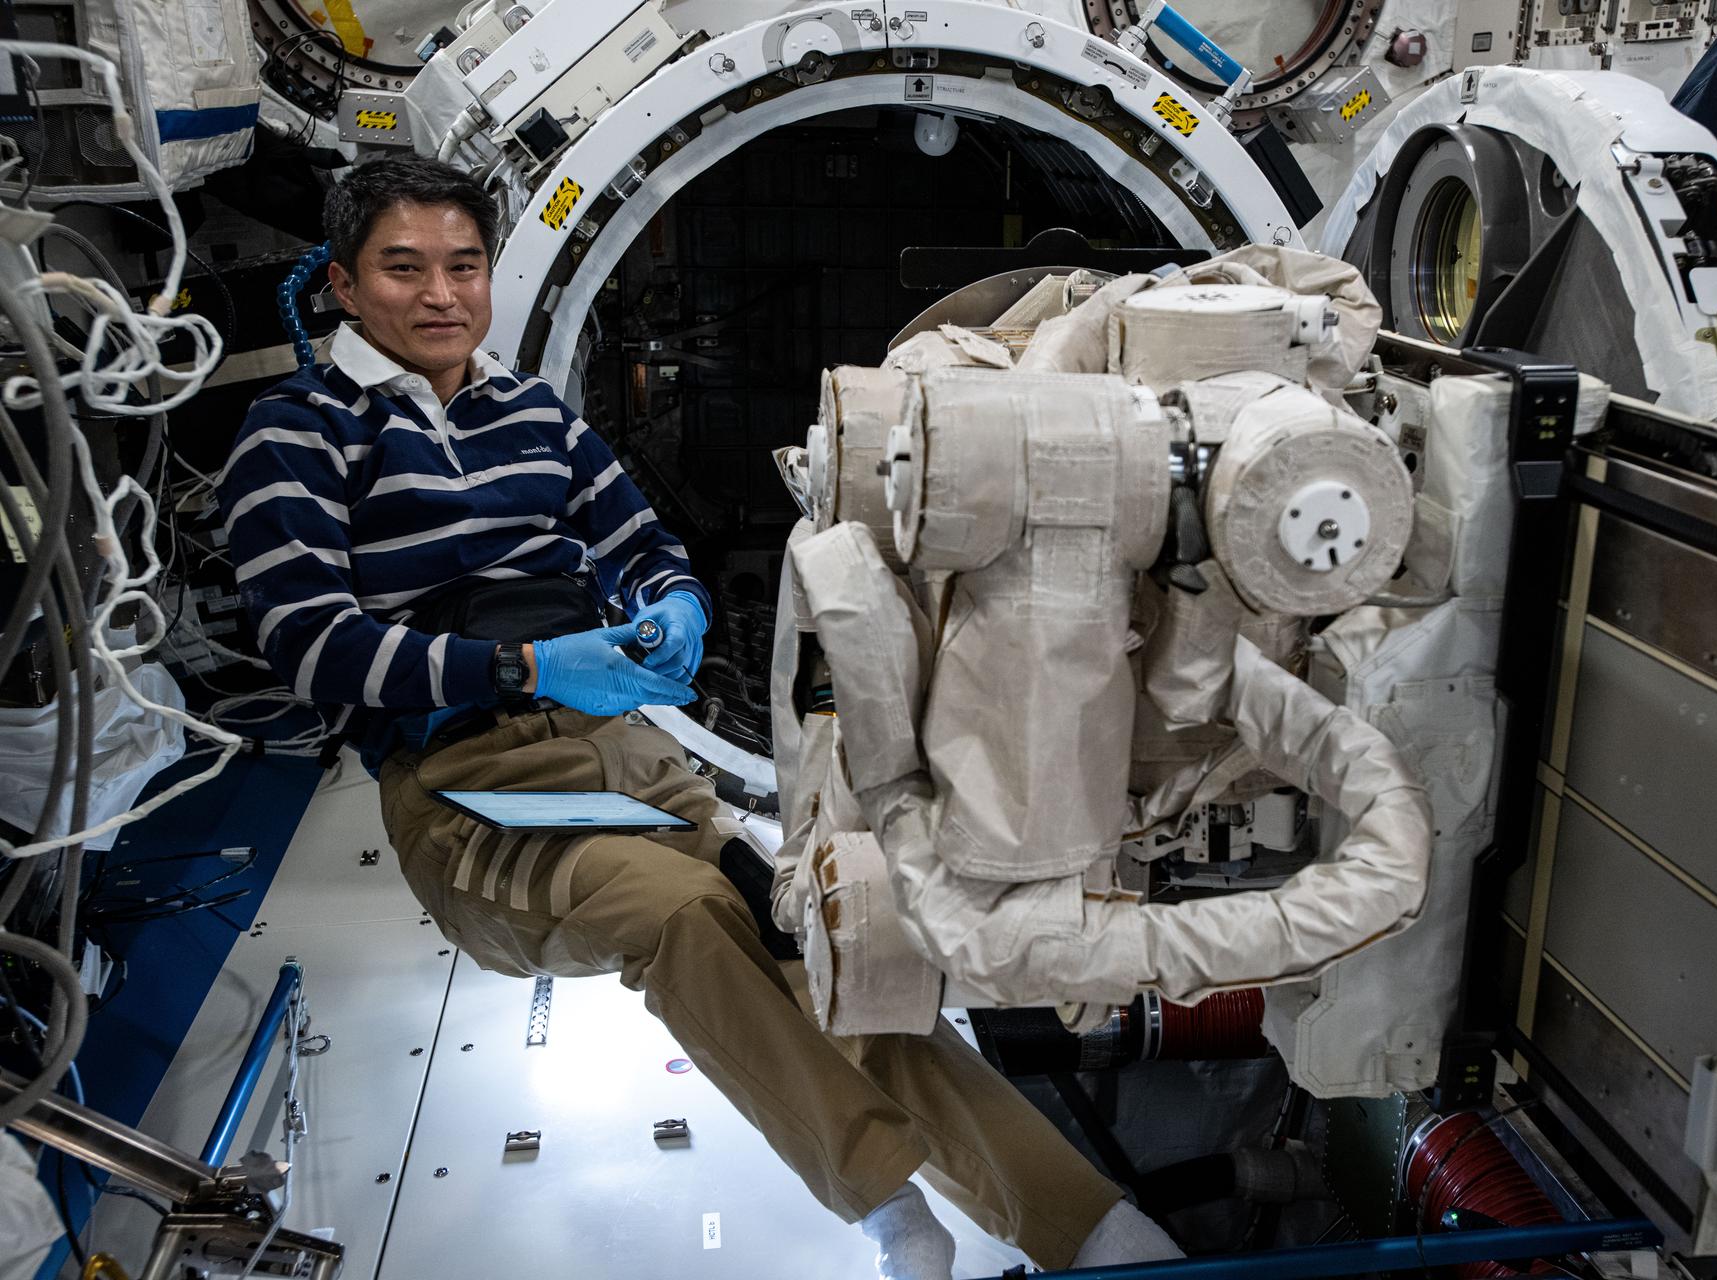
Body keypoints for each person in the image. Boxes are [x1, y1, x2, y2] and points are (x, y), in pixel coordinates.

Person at [217, 154, 1181, 1278]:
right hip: (472, 795)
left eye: (464, 266)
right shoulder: (297, 433)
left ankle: (1091, 1227)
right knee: (686, 913)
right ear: (342, 283)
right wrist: (522, 666)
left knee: (818, 943)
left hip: (628, 759)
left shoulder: (530, 412)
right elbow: (313, 645)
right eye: (404, 268)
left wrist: (669, 603)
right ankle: (885, 1205)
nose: (442, 295)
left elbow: (636, 541)